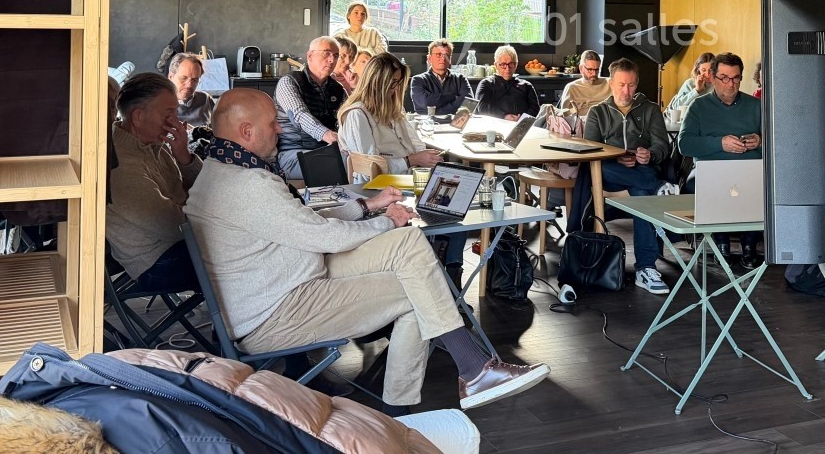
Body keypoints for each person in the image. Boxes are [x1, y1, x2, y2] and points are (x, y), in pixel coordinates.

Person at [184, 89, 549, 414]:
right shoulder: (249, 185)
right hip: (277, 313)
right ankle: (408, 408)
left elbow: (296, 220)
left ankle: (471, 371)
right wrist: (384, 221)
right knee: (416, 291)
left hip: (288, 280)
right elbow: (322, 236)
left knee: (407, 243)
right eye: (271, 124)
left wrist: (368, 208)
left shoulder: (222, 169)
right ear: (246, 132)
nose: (279, 130)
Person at [337, 53, 464, 286]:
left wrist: (427, 157)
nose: (396, 89)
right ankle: (442, 274)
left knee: (457, 199)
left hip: (405, 181)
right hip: (377, 188)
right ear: (378, 83)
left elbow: (415, 144)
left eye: (398, 83)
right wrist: (412, 160)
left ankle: (450, 272)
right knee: (449, 206)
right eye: (392, 84)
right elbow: (369, 168)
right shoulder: (357, 114)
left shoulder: (393, 111)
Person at [569, 58, 672, 295]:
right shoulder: (598, 112)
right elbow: (592, 150)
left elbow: (662, 146)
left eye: (632, 85)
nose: (627, 91)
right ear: (611, 84)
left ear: (637, 84)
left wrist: (650, 155)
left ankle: (645, 268)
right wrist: (615, 157)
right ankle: (658, 187)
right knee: (602, 170)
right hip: (609, 171)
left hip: (641, 170)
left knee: (642, 194)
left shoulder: (650, 109)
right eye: (621, 85)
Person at [106, 72, 201, 292]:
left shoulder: (154, 144)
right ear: (138, 117)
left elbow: (205, 189)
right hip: (156, 263)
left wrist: (184, 158)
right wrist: (212, 212)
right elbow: (174, 226)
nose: (176, 121)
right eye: (168, 113)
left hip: (181, 243)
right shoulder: (120, 162)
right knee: (243, 252)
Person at [677, 51, 763, 268]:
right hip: (711, 171)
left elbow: (781, 140)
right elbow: (684, 144)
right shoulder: (699, 106)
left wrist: (760, 141)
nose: (730, 84)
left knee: (757, 182)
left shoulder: (756, 106)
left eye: (735, 78)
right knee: (713, 183)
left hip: (750, 170)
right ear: (713, 78)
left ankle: (749, 247)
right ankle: (720, 245)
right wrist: (719, 143)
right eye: (724, 78)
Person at [274, 37, 348, 180]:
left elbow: (348, 119)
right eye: (326, 53)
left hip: (326, 151)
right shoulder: (289, 82)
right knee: (345, 163)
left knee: (363, 159)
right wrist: (327, 135)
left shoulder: (337, 89)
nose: (332, 60)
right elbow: (299, 115)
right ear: (310, 56)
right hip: (292, 153)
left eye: (336, 55)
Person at [474, 45, 539, 120]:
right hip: (494, 127)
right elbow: (482, 108)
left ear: (516, 65)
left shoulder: (526, 85)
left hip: (522, 126)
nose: (507, 69)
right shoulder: (486, 84)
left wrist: (522, 119)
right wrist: (504, 116)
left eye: (511, 64)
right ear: (496, 65)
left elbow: (535, 109)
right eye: (503, 65)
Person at [409, 39, 471, 115]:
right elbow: (425, 102)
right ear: (429, 58)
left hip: (454, 123)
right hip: (427, 124)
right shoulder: (418, 80)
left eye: (447, 55)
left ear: (450, 59)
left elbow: (469, 103)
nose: (443, 58)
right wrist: (454, 97)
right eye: (438, 54)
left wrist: (435, 111)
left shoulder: (460, 79)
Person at [557, 50, 611, 115]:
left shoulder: (609, 83)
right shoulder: (572, 88)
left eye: (597, 70)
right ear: (581, 68)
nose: (594, 73)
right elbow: (564, 116)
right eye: (590, 69)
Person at [168, 52, 214, 128]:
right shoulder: (157, 103)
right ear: (171, 77)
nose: (189, 85)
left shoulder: (205, 99)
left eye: (195, 80)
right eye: (183, 78)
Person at [666, 51, 715, 117]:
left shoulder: (719, 84)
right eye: (703, 70)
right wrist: (696, 91)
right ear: (698, 70)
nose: (707, 74)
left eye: (710, 70)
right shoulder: (690, 83)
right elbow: (675, 107)